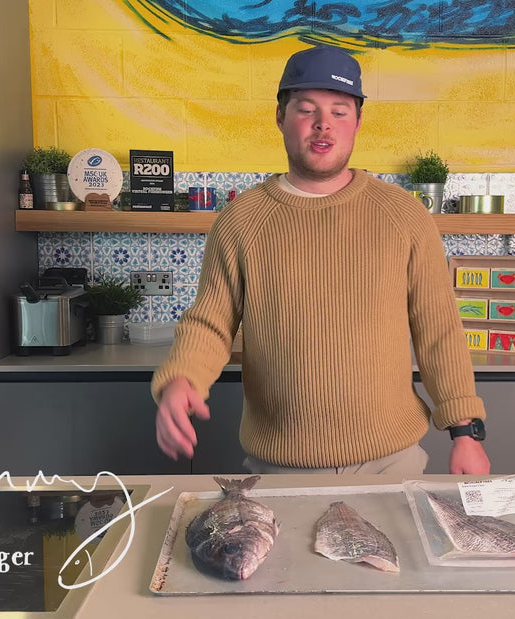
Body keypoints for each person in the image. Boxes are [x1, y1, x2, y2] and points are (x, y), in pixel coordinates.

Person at [151, 45, 490, 475]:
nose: (322, 124)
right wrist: (182, 379)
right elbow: (210, 323)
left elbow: (438, 329)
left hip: (392, 460)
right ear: (280, 117)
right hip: (277, 464)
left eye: (340, 111)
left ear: (358, 122)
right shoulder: (241, 219)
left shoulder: (402, 214)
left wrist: (465, 433)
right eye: (306, 109)